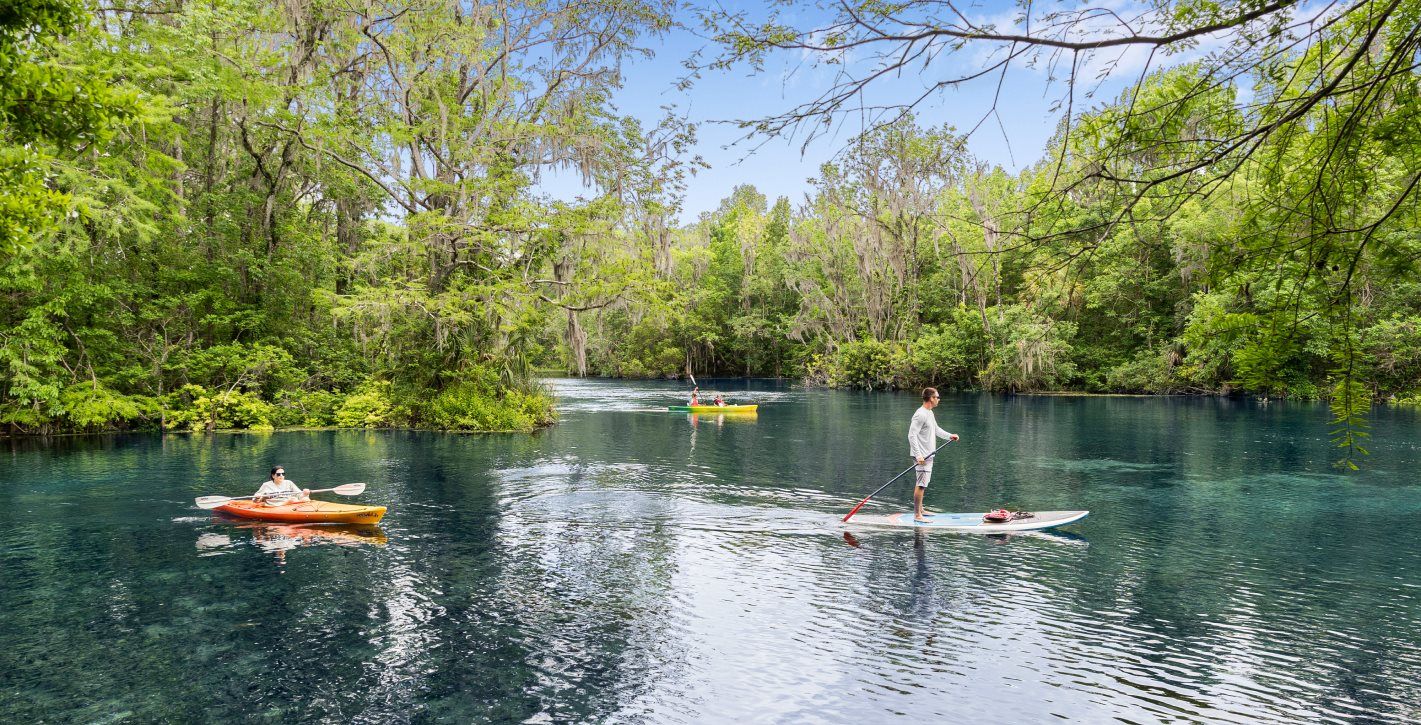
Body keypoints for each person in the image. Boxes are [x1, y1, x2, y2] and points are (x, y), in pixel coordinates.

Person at [909, 387, 959, 522]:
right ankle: (917, 515)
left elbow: (936, 430)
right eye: (937, 397)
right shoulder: (920, 414)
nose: (939, 399)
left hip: (928, 455)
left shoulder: (929, 413)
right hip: (922, 457)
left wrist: (950, 436)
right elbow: (911, 435)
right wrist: (918, 455)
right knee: (921, 484)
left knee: (924, 483)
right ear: (931, 398)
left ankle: (921, 510)